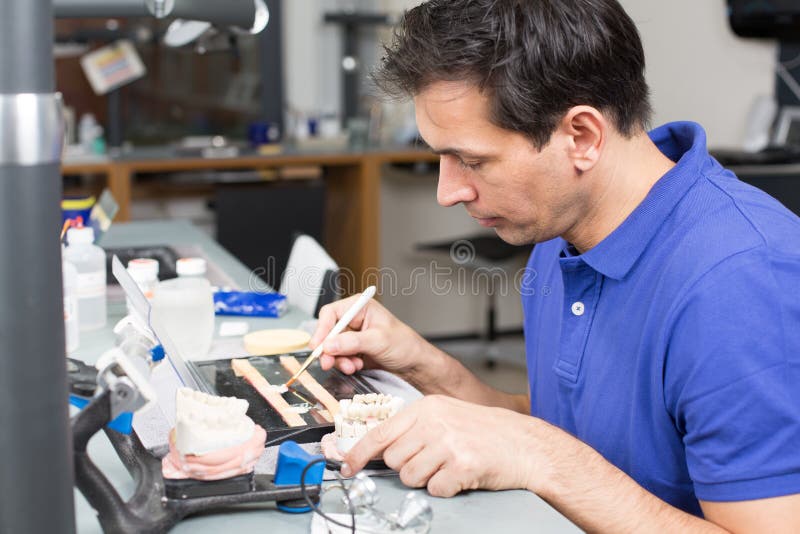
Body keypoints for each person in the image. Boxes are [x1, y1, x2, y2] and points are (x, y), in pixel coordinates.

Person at [310, 0, 800, 531]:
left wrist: (542, 455)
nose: (448, 191)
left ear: (582, 137)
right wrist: (423, 366)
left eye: (472, 161)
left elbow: (551, 454)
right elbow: (569, 434)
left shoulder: (741, 281)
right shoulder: (560, 229)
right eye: (440, 158)